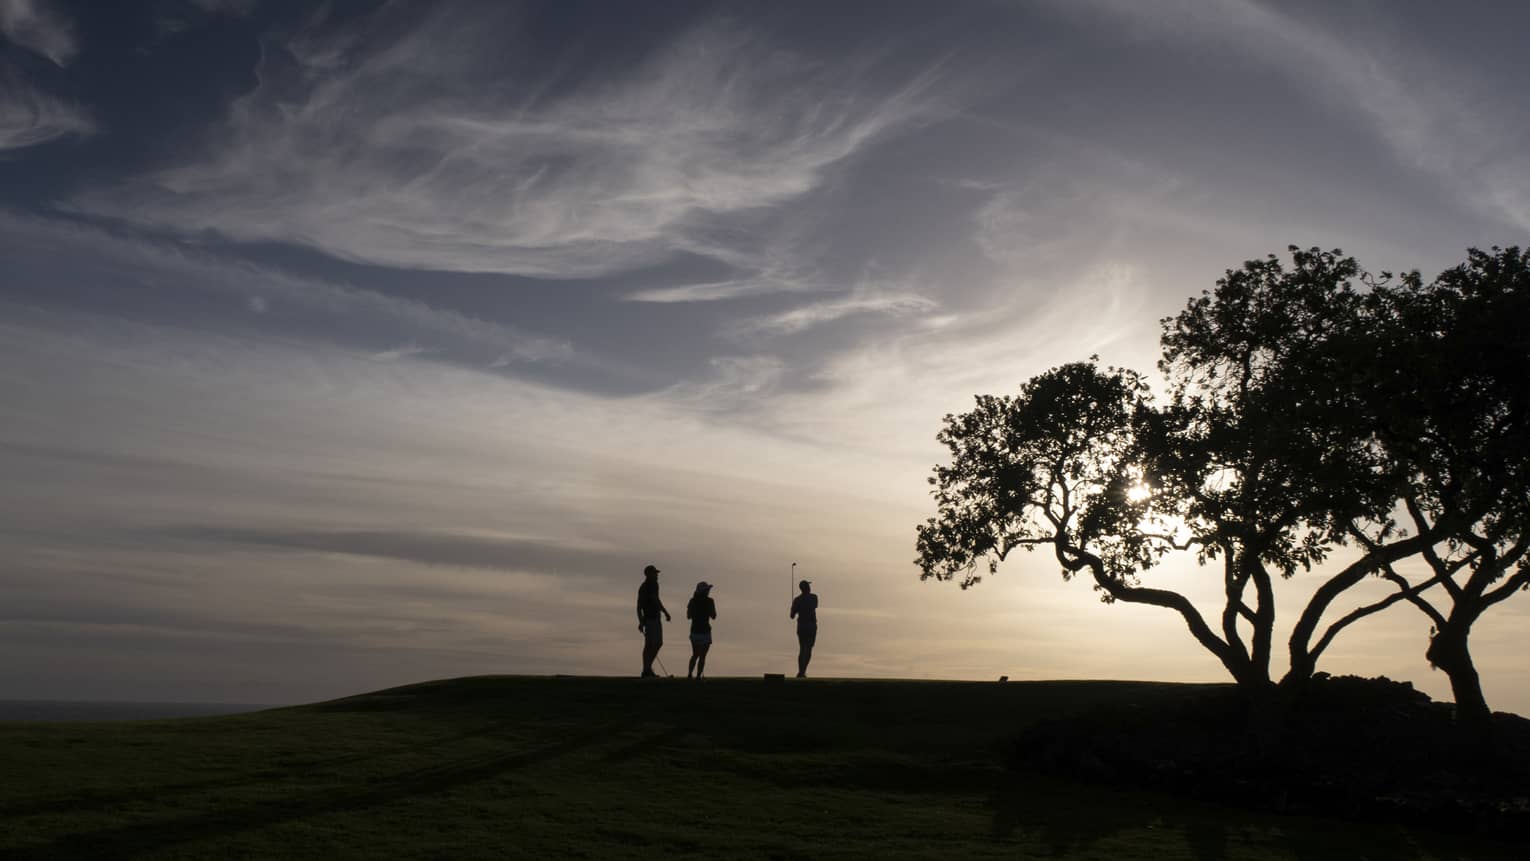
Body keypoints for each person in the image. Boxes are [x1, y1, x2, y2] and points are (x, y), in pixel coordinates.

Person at [636, 564, 671, 677]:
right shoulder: (652, 585)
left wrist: (641, 621)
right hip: (652, 619)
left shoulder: (644, 586)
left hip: (650, 619)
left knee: (650, 645)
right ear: (649, 574)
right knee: (655, 644)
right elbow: (655, 600)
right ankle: (647, 669)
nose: (657, 575)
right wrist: (665, 612)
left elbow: (638, 607)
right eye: (655, 573)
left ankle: (647, 669)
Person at [686, 581, 717, 679]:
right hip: (704, 631)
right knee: (702, 656)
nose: (708, 591)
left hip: (695, 631)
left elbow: (688, 616)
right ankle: (698, 676)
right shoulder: (710, 601)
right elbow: (714, 616)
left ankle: (690, 674)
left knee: (695, 655)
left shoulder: (692, 601)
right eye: (707, 590)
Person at [790, 579, 817, 678]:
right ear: (807, 588)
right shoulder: (814, 597)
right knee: (808, 648)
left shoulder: (797, 600)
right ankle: (802, 671)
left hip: (801, 626)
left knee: (802, 649)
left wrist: (794, 608)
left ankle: (801, 671)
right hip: (810, 626)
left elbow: (792, 616)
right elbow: (813, 606)